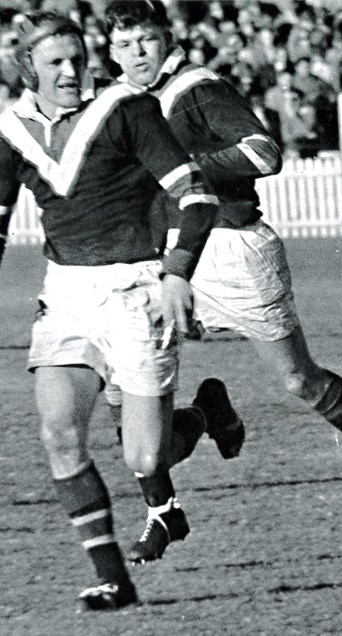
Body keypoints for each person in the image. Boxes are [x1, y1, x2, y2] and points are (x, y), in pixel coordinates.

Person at [103, 0, 342, 565]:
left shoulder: (198, 90)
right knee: (123, 394)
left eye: (146, 42)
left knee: (300, 382)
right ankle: (164, 507)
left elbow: (263, 151)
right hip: (159, 259)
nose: (136, 55)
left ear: (166, 40)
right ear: (110, 50)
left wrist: (183, 165)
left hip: (230, 247)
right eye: (125, 45)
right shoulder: (122, 105)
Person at [0, 11, 220, 610]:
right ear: (28, 69)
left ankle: (202, 416)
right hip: (67, 295)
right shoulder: (11, 129)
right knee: (58, 434)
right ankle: (112, 578)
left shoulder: (127, 109)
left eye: (77, 59)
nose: (71, 71)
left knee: (146, 457)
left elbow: (196, 196)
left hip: (135, 291)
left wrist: (177, 274)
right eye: (55, 63)